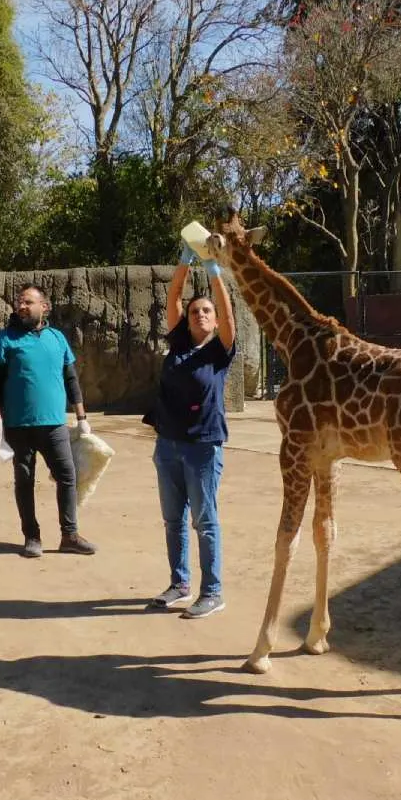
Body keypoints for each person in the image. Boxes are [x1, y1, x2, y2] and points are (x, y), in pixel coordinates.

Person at [142, 245, 237, 619]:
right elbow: (173, 296)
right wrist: (185, 260)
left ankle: (212, 591)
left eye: (206, 311)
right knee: (173, 520)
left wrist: (213, 269)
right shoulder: (178, 344)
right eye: (195, 311)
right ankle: (179, 584)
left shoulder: (220, 351)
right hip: (167, 446)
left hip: (202, 449)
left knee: (205, 522)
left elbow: (227, 311)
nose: (200, 314)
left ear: (215, 322)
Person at [0, 284, 97, 559]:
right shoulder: (4, 339)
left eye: (28, 302)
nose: (21, 307)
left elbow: (71, 378)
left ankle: (69, 535)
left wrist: (82, 417)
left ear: (44, 307)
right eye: (19, 302)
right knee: (24, 479)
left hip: (55, 424)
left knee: (67, 476)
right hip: (18, 425)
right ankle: (31, 536)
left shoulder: (57, 338)